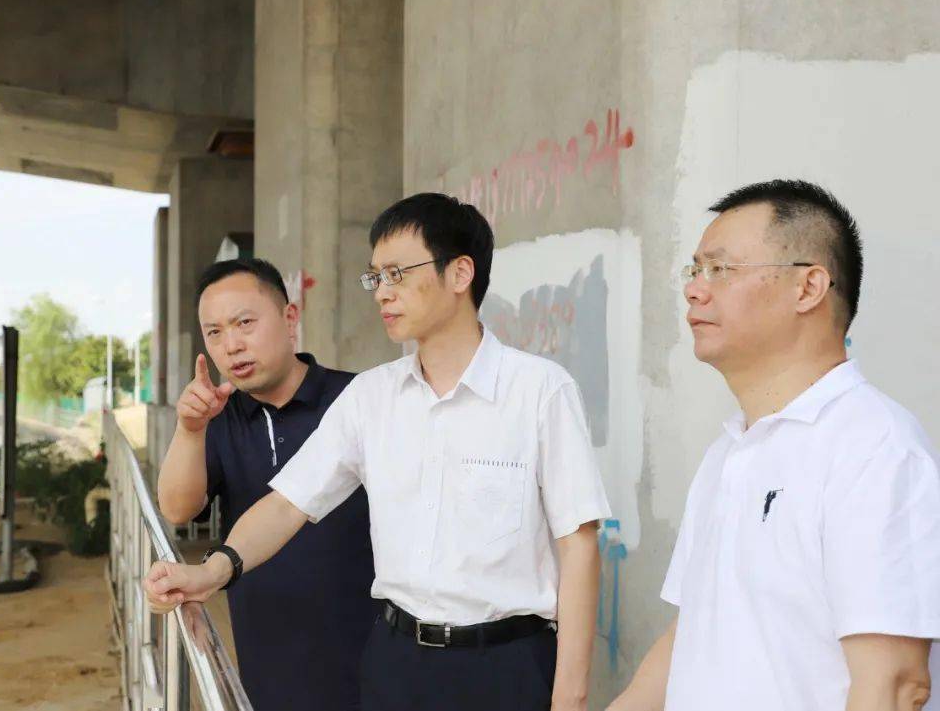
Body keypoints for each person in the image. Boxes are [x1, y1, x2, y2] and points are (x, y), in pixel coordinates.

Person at [145, 193, 611, 711]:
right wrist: (211, 572)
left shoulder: (541, 390)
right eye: (375, 277)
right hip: (396, 663)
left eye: (397, 274)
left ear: (460, 274)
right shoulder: (370, 396)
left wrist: (570, 696)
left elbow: (579, 547)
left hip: (507, 665)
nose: (381, 293)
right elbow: (287, 504)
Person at [608, 180, 939, 711]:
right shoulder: (730, 452)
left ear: (808, 288)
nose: (695, 290)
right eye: (694, 271)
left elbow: (896, 687)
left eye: (720, 269)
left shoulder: (873, 449)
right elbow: (695, 631)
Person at [153, 258, 377, 711]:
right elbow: (178, 509)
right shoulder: (219, 418)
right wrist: (190, 429)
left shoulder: (358, 400)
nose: (232, 345)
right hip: (268, 656)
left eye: (245, 323)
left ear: (290, 318)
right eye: (214, 332)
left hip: (371, 652)